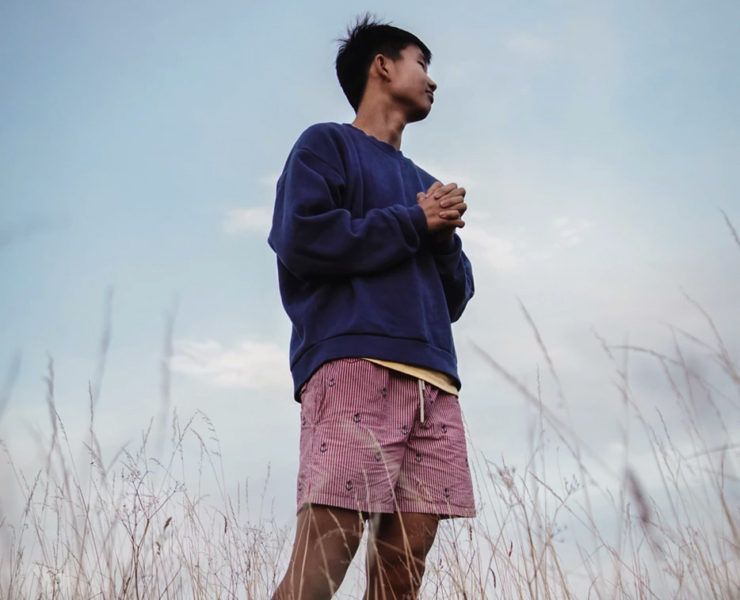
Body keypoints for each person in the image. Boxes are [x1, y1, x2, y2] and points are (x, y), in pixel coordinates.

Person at [268, 15, 475, 600]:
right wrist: (415, 222)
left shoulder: (427, 186)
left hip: (435, 385)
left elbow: (455, 297)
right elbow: (304, 239)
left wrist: (441, 236)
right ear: (382, 65)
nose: (432, 80)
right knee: (325, 556)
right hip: (354, 365)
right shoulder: (326, 145)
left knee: (402, 575)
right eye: (421, 63)